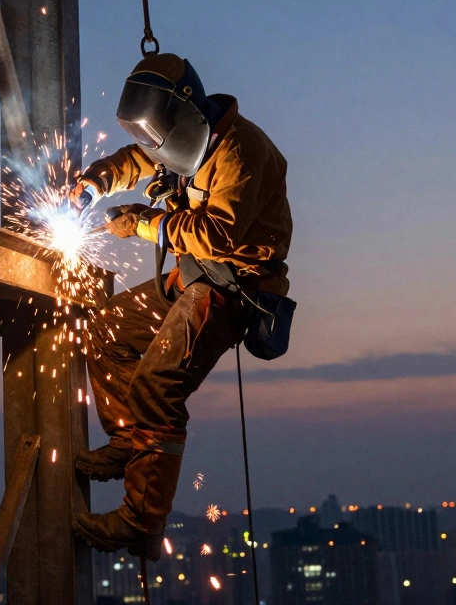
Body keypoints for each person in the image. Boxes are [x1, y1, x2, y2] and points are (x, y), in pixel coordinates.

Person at [68, 52, 293, 558]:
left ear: (188, 114)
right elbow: (138, 160)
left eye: (158, 141)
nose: (155, 150)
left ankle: (140, 523)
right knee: (108, 329)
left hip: (235, 289)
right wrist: (94, 184)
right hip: (194, 276)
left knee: (157, 386)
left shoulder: (241, 151)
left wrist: (145, 222)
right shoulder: (181, 140)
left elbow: (216, 234)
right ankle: (130, 441)